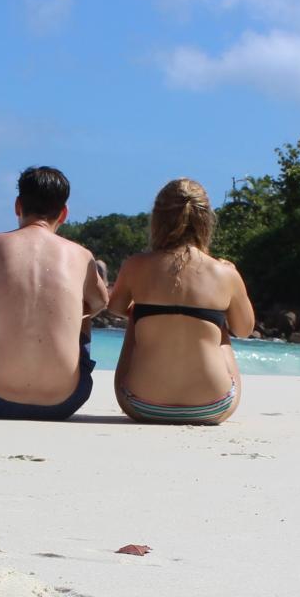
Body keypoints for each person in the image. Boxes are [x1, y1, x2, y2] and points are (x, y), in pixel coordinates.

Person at [0, 166, 108, 420]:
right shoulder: (80, 255)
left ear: (17, 205)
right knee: (85, 303)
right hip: (66, 401)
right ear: (63, 214)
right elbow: (100, 302)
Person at [107, 178, 254, 424]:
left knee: (137, 314)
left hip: (140, 403)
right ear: (206, 220)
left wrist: (145, 309)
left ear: (157, 220)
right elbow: (244, 329)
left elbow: (116, 308)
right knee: (219, 325)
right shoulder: (225, 273)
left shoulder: (136, 265)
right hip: (213, 406)